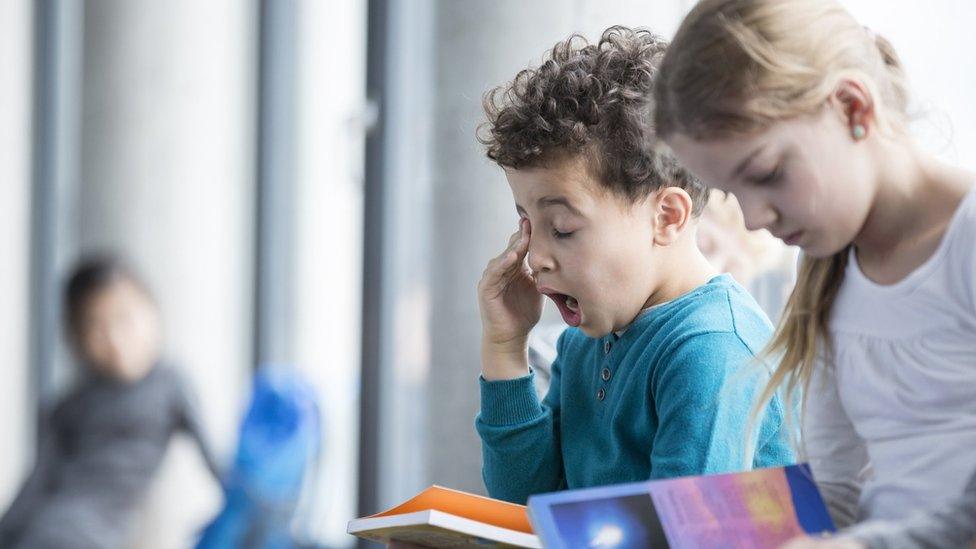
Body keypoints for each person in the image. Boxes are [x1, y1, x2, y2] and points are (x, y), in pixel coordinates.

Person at [653, 0, 976, 545]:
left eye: (768, 174)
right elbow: (833, 492)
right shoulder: (827, 266)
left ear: (852, 107)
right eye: (734, 194)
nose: (755, 219)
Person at [474, 25, 794, 506]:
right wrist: (504, 348)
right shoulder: (585, 344)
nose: (535, 256)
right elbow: (527, 502)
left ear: (666, 217)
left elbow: (682, 535)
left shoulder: (712, 349)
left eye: (561, 228)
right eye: (526, 222)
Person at [0, 255, 220, 549]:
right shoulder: (69, 405)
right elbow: (34, 489)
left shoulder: (169, 385)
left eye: (125, 319)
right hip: (48, 533)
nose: (116, 340)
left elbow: (219, 466)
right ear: (76, 338)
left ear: (152, 312)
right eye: (97, 328)